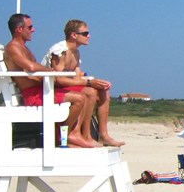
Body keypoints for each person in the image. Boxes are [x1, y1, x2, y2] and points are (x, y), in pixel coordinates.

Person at [3, 13, 96, 148]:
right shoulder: (13, 47)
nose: (33, 29)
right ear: (19, 29)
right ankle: (65, 136)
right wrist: (51, 72)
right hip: (33, 94)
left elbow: (33, 68)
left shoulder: (23, 47)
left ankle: (80, 135)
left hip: (41, 89)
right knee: (79, 98)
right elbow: (30, 66)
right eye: (30, 27)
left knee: (88, 92)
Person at [42, 19, 124, 147]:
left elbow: (76, 78)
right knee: (90, 91)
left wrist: (95, 83)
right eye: (85, 33)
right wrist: (90, 83)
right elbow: (59, 79)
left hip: (63, 87)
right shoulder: (60, 51)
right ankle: (79, 134)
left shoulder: (76, 52)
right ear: (74, 35)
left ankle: (103, 135)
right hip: (50, 89)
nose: (89, 36)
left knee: (103, 91)